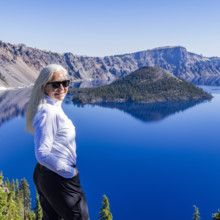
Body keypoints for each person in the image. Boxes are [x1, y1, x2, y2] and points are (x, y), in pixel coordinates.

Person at [25, 64, 90, 220]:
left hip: (46, 175)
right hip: (59, 177)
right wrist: (70, 172)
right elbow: (42, 153)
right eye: (55, 84)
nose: (61, 87)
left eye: (65, 83)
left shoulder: (51, 108)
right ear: (44, 86)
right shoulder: (48, 111)